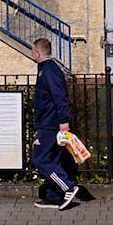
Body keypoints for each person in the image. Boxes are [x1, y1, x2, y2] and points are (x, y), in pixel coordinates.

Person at [30, 37, 79, 210]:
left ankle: (67, 187)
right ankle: (54, 197)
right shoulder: (46, 68)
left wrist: (63, 120)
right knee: (53, 160)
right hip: (49, 122)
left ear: (37, 52)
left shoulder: (49, 70)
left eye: (32, 50)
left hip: (50, 124)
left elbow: (59, 95)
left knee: (39, 159)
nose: (32, 53)